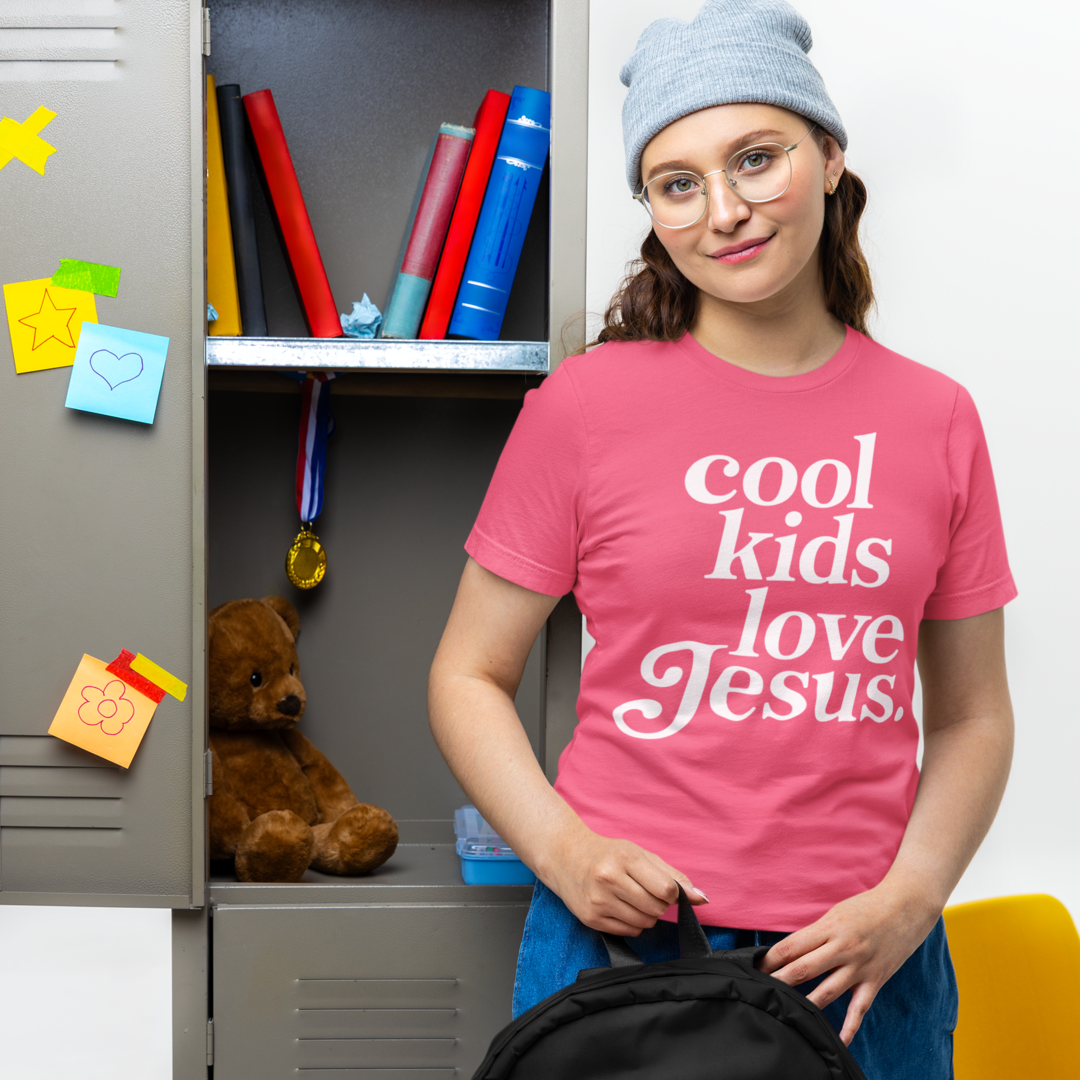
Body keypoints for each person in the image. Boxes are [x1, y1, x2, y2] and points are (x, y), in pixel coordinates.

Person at [428, 2, 1015, 1076]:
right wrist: (564, 851)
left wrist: (913, 896)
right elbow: (467, 673)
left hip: (865, 969)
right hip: (619, 953)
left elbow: (974, 713)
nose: (727, 211)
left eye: (757, 159)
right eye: (679, 182)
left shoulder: (937, 419)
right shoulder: (585, 407)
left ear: (828, 157)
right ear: (651, 210)